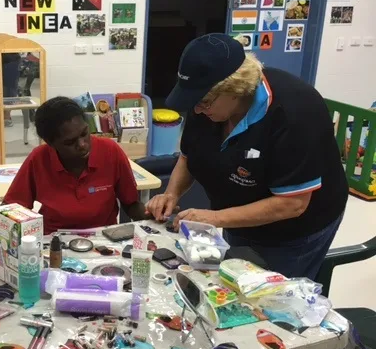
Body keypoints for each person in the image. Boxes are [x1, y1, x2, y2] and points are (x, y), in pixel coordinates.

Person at [146, 33, 348, 280]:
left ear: (235, 89)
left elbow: (292, 204)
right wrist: (172, 194)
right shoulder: (205, 107)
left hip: (294, 229)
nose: (197, 110)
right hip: (239, 210)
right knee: (235, 277)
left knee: (272, 298)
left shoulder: (295, 112)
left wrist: (215, 218)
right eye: (193, 103)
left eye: (204, 102)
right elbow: (189, 157)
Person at [4, 97, 147, 234]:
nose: (82, 144)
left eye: (85, 133)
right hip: (54, 243)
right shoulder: (38, 159)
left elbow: (131, 204)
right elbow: (12, 210)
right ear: (51, 144)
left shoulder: (110, 151)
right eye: (69, 142)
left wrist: (153, 213)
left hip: (104, 241)